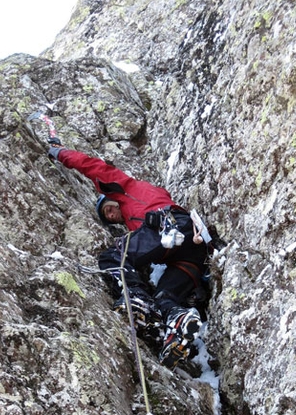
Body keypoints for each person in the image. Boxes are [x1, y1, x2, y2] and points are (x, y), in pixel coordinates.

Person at [48, 140, 211, 369]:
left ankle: (135, 299)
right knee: (165, 296)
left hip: (168, 226)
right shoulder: (137, 216)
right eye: (108, 217)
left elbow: (93, 167)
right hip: (189, 254)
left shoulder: (127, 189)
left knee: (114, 257)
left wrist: (59, 153)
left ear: (111, 196)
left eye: (109, 209)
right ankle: (177, 321)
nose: (112, 215)